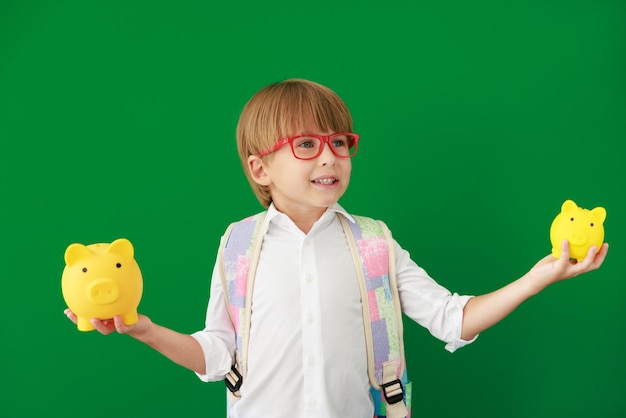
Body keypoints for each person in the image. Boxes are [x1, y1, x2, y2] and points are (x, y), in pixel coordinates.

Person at [64, 78, 609, 418]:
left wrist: (538, 276)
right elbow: (218, 355)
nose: (329, 158)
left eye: (339, 143)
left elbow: (452, 319)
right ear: (260, 168)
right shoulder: (236, 244)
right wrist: (143, 329)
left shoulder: (373, 242)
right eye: (306, 145)